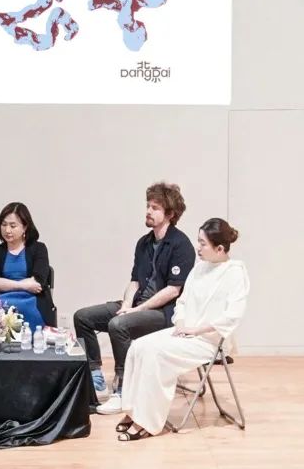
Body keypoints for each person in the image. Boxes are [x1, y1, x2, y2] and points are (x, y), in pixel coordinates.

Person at [115, 218, 249, 441]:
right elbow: (183, 302)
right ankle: (134, 411)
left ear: (219, 249)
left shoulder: (235, 273)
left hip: (208, 341)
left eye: (203, 243)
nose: (198, 247)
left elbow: (232, 315)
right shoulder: (199, 268)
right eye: (198, 241)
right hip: (185, 332)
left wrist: (196, 330)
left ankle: (147, 421)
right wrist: (180, 324)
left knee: (155, 354)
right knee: (138, 346)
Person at [74, 182, 196, 413]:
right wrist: (127, 304)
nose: (148, 211)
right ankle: (96, 377)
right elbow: (134, 281)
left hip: (165, 313)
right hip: (138, 305)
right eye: (148, 206)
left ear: (170, 214)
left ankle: (123, 388)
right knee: (83, 317)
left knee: (118, 325)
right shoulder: (144, 243)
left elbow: (173, 290)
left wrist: (136, 311)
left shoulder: (181, 245)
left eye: (155, 208)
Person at [0, 202, 56, 329]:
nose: (7, 230)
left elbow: (38, 283)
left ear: (25, 227)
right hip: (2, 304)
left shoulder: (39, 248)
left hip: (32, 301)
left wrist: (6, 284)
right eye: (4, 225)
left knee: (27, 310)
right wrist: (23, 285)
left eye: (13, 226)